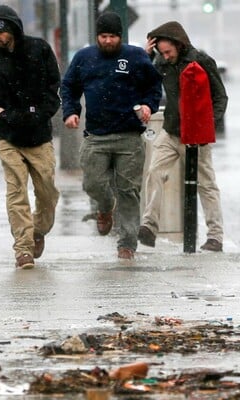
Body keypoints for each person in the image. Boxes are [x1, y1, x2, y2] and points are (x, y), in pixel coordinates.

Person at [60, 11, 162, 260]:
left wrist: (149, 104)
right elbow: (69, 86)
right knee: (92, 183)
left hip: (128, 135)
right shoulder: (85, 58)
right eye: (103, 36)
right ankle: (105, 208)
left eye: (112, 37)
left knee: (128, 190)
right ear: (97, 36)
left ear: (120, 36)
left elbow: (153, 84)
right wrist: (71, 112)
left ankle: (127, 243)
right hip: (96, 136)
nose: (107, 41)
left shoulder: (135, 56)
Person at [0, 5, 61, 270]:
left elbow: (52, 87)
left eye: (0, 31)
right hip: (7, 136)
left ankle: (38, 230)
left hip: (39, 136)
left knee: (47, 192)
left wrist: (41, 113)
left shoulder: (39, 50)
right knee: (16, 192)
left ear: (12, 28)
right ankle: (22, 249)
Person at [138, 21, 228, 252]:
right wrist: (146, 57)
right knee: (154, 172)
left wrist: (208, 125)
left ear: (179, 44)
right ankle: (149, 226)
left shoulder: (202, 61)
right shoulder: (161, 63)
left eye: (168, 51)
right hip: (170, 130)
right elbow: (142, 82)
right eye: (162, 52)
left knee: (206, 184)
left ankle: (215, 236)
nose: (165, 56)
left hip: (197, 134)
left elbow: (220, 97)